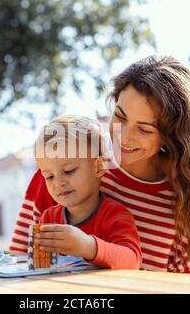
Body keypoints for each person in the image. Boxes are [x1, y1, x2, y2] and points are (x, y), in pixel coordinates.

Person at [9, 56, 190, 274]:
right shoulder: (63, 165)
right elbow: (17, 264)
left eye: (144, 129)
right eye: (120, 116)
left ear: (173, 135)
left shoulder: (189, 197)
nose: (124, 136)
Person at [33, 115, 142, 269]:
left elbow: (133, 260)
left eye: (69, 171)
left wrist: (88, 246)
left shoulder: (114, 215)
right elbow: (39, 267)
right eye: (49, 176)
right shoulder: (49, 219)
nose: (58, 183)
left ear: (98, 167)